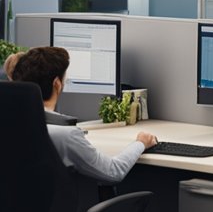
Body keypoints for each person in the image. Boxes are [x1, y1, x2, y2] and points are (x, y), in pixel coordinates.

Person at [9, 46, 156, 183]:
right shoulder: (66, 135)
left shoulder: (10, 123)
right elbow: (113, 171)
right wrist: (140, 143)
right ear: (57, 84)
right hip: (53, 209)